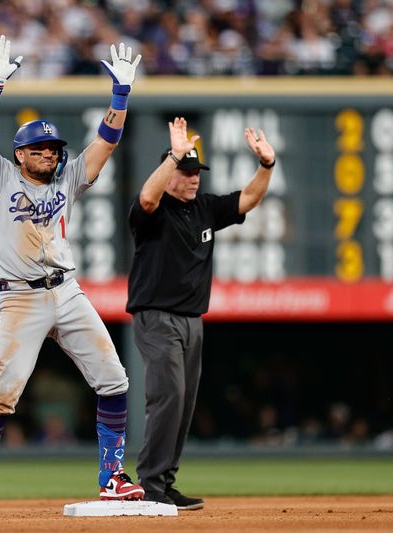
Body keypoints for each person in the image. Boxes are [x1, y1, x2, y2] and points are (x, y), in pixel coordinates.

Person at [0, 35, 144, 518]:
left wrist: (120, 97)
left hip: (66, 290)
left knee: (115, 381)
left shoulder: (68, 177)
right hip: (18, 300)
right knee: (1, 398)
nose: (48, 152)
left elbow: (105, 142)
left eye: (52, 147)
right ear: (19, 153)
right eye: (38, 147)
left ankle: (112, 478)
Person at [127, 118, 276, 509]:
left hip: (193, 321)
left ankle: (165, 482)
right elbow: (145, 199)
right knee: (169, 396)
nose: (194, 178)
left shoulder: (205, 208)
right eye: (186, 171)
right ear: (169, 172)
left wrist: (267, 166)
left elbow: (248, 199)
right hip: (156, 317)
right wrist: (172, 156)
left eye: (196, 172)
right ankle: (151, 486)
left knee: (185, 401)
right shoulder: (153, 212)